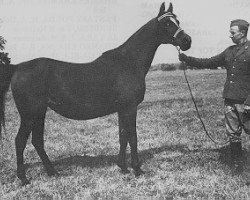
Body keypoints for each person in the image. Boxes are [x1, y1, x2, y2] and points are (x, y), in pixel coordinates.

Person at [179, 19, 250, 175]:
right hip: (230, 99)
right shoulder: (229, 51)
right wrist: (187, 59)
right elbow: (209, 62)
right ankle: (238, 166)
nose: (229, 35)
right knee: (233, 134)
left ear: (242, 33)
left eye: (232, 32)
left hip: (246, 102)